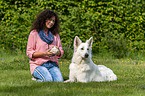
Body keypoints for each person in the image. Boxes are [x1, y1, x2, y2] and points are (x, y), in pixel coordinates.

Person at [26, 9, 64, 82]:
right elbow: (29, 53)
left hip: (53, 65)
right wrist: (45, 53)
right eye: (49, 20)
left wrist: (58, 51)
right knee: (48, 80)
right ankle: (36, 79)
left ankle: (42, 77)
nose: (51, 22)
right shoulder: (34, 33)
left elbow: (61, 51)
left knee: (59, 81)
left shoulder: (55, 35)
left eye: (53, 21)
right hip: (38, 65)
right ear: (43, 19)